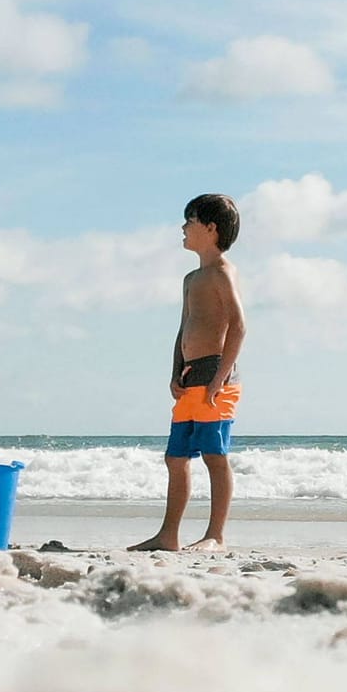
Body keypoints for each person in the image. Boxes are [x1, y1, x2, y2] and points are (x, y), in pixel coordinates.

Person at [131, 194, 246, 552]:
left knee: (214, 455)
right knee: (175, 457)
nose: (183, 228)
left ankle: (215, 535)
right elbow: (184, 328)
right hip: (190, 376)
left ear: (210, 229)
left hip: (215, 376)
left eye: (190, 221)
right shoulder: (190, 278)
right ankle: (168, 535)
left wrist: (218, 379)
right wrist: (175, 370)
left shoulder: (222, 273)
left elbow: (239, 327)